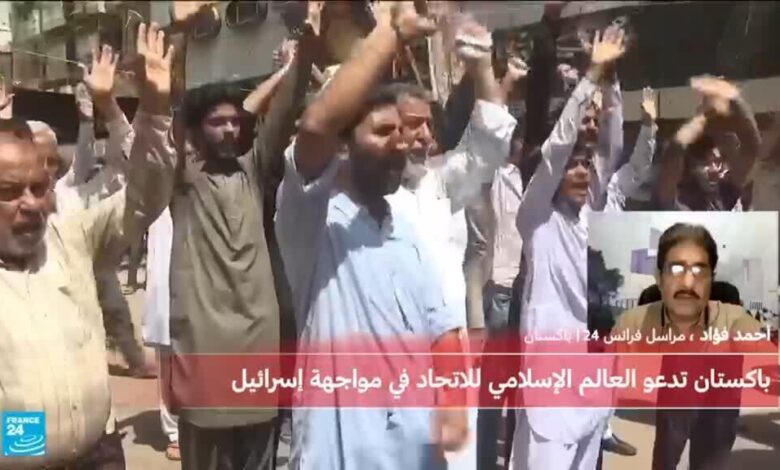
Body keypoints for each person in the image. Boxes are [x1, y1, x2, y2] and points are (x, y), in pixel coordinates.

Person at [276, 3, 469, 468]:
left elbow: (442, 330)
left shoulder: (406, 231)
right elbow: (316, 126)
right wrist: (391, 34)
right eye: (383, 132)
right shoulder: (314, 225)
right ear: (344, 146)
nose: (401, 142)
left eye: (402, 131)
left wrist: (453, 411)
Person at [0, 22, 175, 468]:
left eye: (39, 188)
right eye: (9, 192)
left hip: (102, 454)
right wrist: (33, 446)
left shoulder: (69, 231)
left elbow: (146, 194)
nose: (31, 204)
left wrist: (153, 107)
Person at [510, 26, 627, 470]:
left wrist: (610, 79)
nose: (582, 172)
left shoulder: (592, 218)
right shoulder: (537, 218)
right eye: (573, 166)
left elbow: (611, 149)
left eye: (586, 165)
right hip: (550, 390)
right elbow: (557, 148)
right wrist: (591, 74)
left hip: (593, 381)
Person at [611, 223, 774, 470]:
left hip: (717, 390)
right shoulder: (640, 317)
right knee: (670, 456)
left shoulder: (732, 313)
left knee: (699, 457)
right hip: (687, 384)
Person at [654, 76, 760, 211]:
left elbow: (751, 148)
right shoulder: (675, 210)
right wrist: (702, 120)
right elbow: (674, 154)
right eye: (708, 163)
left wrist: (733, 97)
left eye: (718, 162)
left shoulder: (722, 198)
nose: (717, 169)